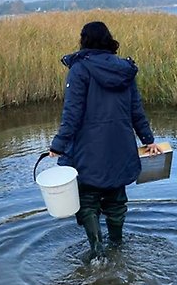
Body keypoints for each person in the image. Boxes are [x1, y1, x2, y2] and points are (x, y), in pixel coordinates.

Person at [48, 21, 162, 260]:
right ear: (108, 40)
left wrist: (58, 146)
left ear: (84, 40)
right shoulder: (125, 70)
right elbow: (136, 110)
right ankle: (117, 248)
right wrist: (148, 139)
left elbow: (72, 113)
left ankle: (97, 252)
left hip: (87, 150)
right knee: (116, 198)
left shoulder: (79, 70)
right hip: (120, 148)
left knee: (87, 199)